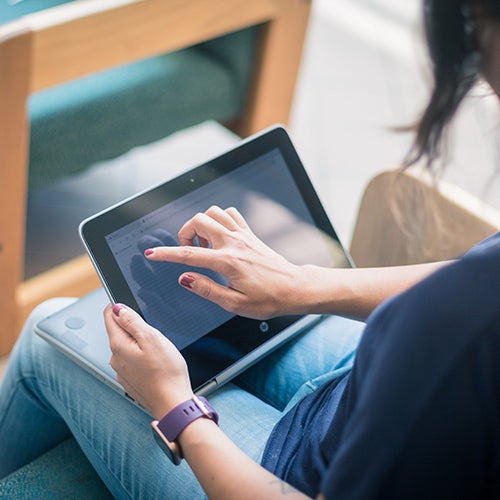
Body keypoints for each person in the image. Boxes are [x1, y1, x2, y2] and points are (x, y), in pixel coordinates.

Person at [1, 0, 499, 497]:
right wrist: (304, 285)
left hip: (301, 473)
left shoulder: (450, 341)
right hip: (363, 383)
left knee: (51, 336)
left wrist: (177, 408)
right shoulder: (450, 328)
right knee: (220, 331)